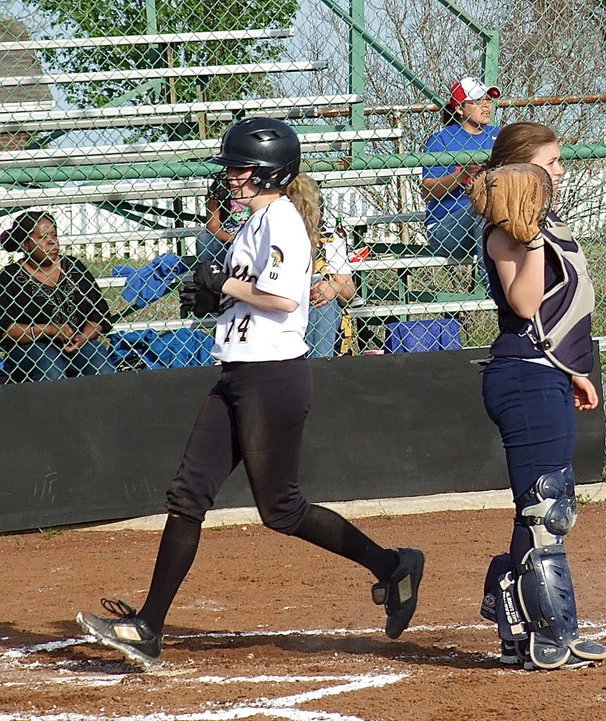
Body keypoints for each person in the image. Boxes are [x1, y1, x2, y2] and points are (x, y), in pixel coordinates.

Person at [76, 116, 424, 667]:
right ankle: (148, 626)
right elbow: (250, 292)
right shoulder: (254, 223)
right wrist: (219, 299)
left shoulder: (282, 220)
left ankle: (392, 565)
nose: (232, 179)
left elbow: (285, 299)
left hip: (272, 377)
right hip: (236, 371)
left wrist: (224, 285)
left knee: (281, 509)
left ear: (270, 173)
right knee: (188, 494)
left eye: (241, 170)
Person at [474, 121, 606, 670]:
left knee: (544, 504)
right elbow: (526, 304)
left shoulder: (549, 227)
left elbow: (561, 312)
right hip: (523, 378)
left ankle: (511, 616)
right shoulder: (509, 232)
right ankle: (549, 634)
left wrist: (575, 367)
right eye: (550, 163)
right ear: (521, 172)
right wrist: (527, 238)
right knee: (545, 506)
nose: (559, 171)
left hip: (545, 371)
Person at [0, 211, 114, 382]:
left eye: (54, 235)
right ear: (25, 245)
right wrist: (50, 329)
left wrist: (83, 337)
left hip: (76, 342)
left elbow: (98, 314)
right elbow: (5, 330)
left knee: (102, 367)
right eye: (42, 237)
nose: (51, 241)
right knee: (51, 370)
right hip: (29, 347)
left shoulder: (73, 268)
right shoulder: (9, 277)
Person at [421, 77, 501, 288]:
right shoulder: (442, 140)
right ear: (460, 109)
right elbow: (427, 191)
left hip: (492, 223)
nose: (486, 105)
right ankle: (493, 288)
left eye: (488, 99)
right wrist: (462, 175)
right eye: (477, 101)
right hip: (446, 229)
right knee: (481, 207)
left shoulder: (499, 135)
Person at [303, 179, 357, 358]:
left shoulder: (330, 239)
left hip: (315, 306)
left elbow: (349, 289)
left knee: (321, 293)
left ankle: (318, 368)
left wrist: (333, 287)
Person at [195, 174, 250, 265]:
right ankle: (208, 275)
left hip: (253, 240)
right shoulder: (221, 186)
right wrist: (234, 239)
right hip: (228, 242)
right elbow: (212, 226)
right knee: (205, 239)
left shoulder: (258, 188)